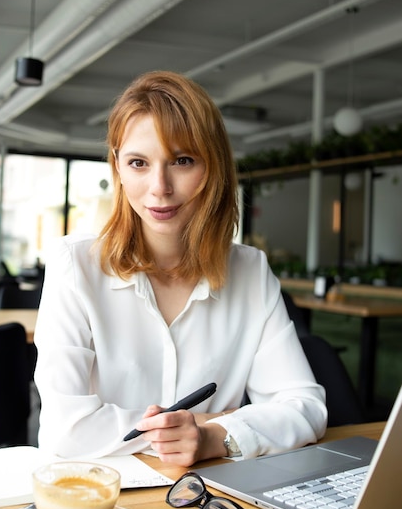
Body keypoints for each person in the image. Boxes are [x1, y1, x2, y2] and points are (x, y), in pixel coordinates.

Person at [34, 70, 327, 466]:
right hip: (103, 501)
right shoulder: (76, 266)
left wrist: (211, 438)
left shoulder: (251, 271)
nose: (159, 187)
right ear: (118, 167)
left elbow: (305, 407)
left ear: (213, 168)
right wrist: (216, 421)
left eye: (182, 161)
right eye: (138, 162)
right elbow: (64, 431)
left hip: (212, 500)